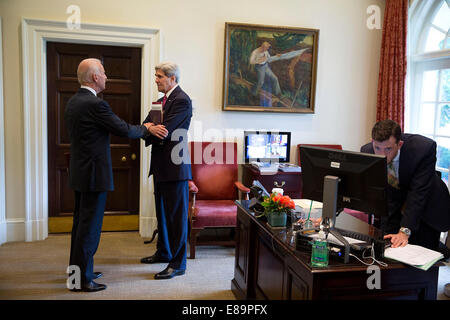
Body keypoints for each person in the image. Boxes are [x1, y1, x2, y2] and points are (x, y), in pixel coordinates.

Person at [64, 58, 165, 292]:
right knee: (89, 228)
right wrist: (147, 128)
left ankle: (78, 271)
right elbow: (123, 129)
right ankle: (82, 280)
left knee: (80, 225)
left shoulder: (74, 101)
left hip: (80, 174)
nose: (107, 77)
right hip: (93, 175)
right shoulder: (95, 104)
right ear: (95, 77)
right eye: (104, 73)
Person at [361, 120, 450, 250]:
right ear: (372, 141)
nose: (382, 155)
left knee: (421, 254)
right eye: (377, 148)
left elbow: (418, 192)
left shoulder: (423, 149)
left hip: (427, 206)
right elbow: (360, 183)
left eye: (388, 149)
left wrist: (404, 231)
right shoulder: (367, 151)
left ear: (400, 144)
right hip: (395, 205)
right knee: (387, 246)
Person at [140, 62, 193, 280]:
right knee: (162, 213)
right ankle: (164, 252)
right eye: (156, 76)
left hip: (175, 167)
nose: (156, 80)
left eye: (159, 76)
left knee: (176, 217)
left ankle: (178, 263)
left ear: (172, 78)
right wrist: (150, 128)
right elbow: (145, 127)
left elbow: (164, 132)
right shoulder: (160, 101)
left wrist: (150, 129)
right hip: (160, 166)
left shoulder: (181, 100)